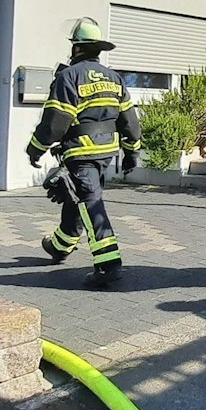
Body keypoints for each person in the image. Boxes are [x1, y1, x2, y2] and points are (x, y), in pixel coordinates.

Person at [26, 17, 142, 289]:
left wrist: (36, 148)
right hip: (106, 154)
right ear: (98, 49)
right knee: (77, 196)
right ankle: (60, 246)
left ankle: (108, 264)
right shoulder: (114, 79)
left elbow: (56, 122)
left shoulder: (68, 76)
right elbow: (130, 121)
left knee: (90, 202)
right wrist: (131, 152)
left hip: (81, 152)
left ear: (76, 48)